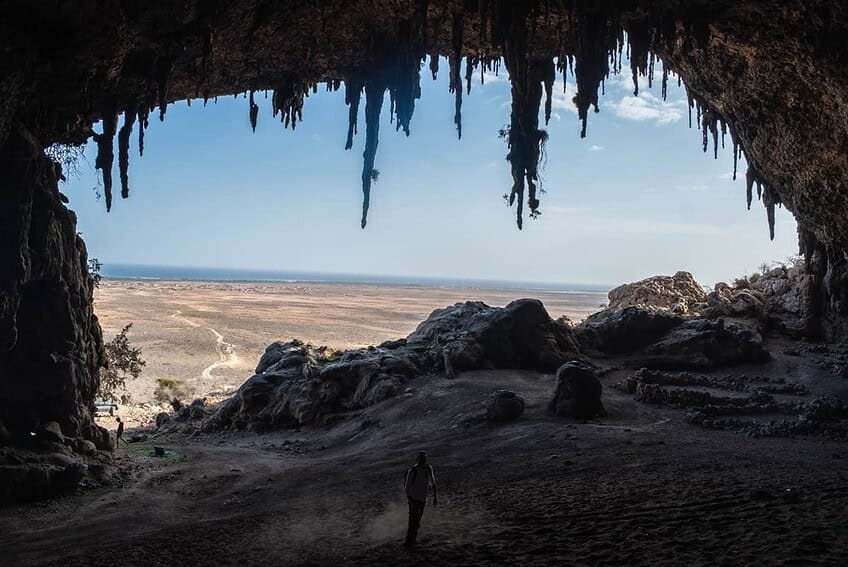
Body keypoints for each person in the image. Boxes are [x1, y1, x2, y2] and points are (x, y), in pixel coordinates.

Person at [403, 451, 437, 548]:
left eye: (425, 458)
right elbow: (407, 487)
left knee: (417, 521)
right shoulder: (412, 471)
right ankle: (409, 541)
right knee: (413, 521)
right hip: (414, 499)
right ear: (418, 459)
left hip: (422, 499)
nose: (423, 460)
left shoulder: (428, 468)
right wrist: (410, 500)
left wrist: (435, 497)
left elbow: (433, 483)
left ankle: (412, 540)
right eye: (422, 458)